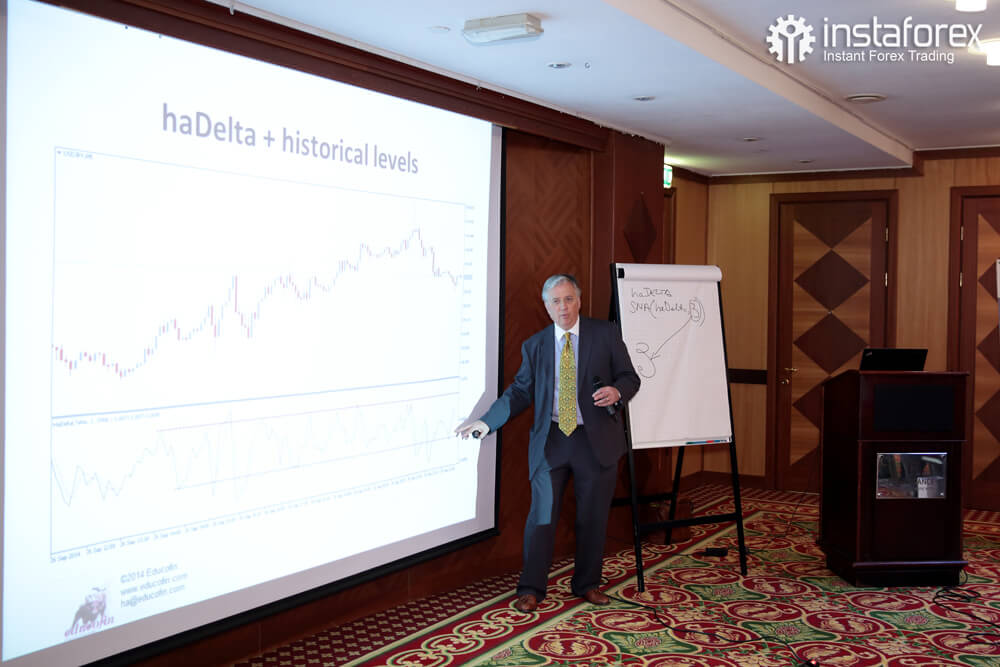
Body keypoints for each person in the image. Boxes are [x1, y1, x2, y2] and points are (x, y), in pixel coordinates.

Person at [456, 274, 640, 612]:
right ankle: (531, 588)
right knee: (541, 517)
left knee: (592, 517)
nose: (563, 307)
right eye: (556, 301)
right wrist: (486, 421)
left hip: (595, 441)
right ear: (546, 307)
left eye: (569, 299)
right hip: (552, 441)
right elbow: (519, 392)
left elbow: (630, 377)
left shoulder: (605, 334)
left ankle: (587, 584)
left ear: (579, 301)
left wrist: (617, 391)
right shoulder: (535, 345)